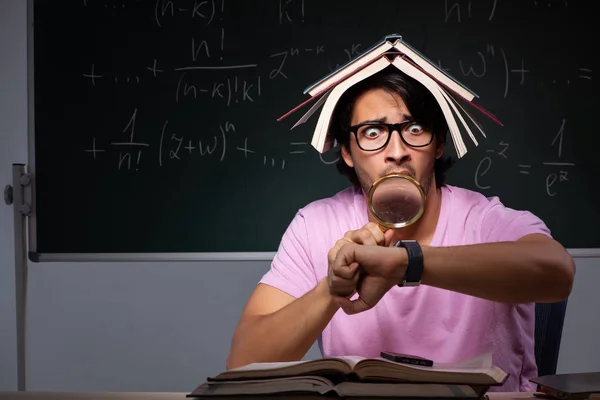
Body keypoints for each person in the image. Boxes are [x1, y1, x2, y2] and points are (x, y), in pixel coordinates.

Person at [226, 66, 576, 392]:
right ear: (347, 151)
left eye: (414, 129)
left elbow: (558, 273)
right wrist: (330, 291)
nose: (397, 151)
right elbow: (242, 366)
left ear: (438, 144)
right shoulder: (315, 225)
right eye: (373, 132)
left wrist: (406, 263)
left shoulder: (483, 220)